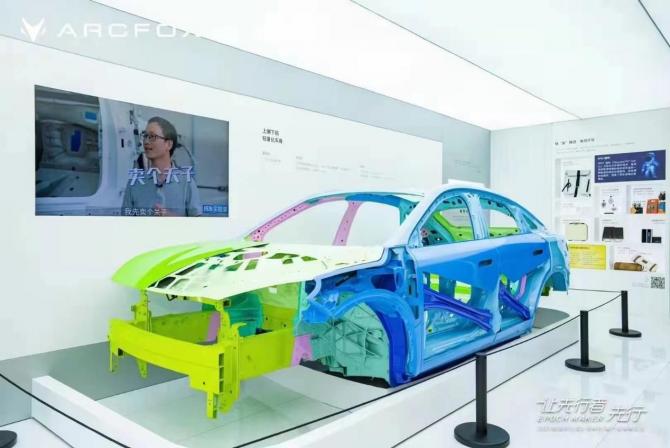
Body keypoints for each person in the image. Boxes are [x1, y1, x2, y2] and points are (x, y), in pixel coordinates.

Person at [122, 116, 201, 216]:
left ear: (168, 144)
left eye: (152, 137)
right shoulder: (134, 183)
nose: (146, 142)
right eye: (145, 136)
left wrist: (170, 217)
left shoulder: (186, 183)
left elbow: (198, 224)